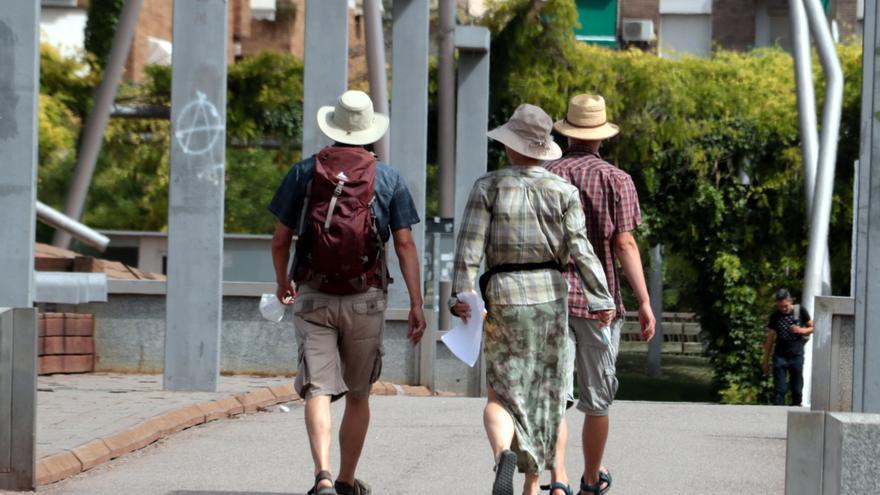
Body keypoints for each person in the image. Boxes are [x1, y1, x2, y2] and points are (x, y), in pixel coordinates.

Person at [449, 103, 615, 495]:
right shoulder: (563, 191)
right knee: (548, 396)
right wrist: (600, 298)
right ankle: (536, 484)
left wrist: (463, 295)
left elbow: (468, 249)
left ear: (510, 146)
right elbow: (581, 248)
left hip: (504, 296)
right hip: (551, 298)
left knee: (502, 393)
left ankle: (502, 453)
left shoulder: (488, 186)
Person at [268, 90, 427, 495]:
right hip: (366, 297)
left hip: (313, 294)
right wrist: (416, 302)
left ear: (334, 127)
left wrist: (283, 281)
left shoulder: (305, 172)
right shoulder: (387, 177)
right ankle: (345, 480)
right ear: (369, 131)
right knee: (358, 393)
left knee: (317, 388)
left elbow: (279, 239)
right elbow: (405, 244)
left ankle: (321, 474)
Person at [545, 94, 656, 495]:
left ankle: (557, 480)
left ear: (567, 131)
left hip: (551, 299)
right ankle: (591, 479)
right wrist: (644, 301)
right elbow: (624, 243)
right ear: (601, 136)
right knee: (597, 399)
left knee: (557, 397)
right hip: (600, 304)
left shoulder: (546, 174)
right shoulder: (617, 180)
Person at [762, 289, 813, 406]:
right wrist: (765, 361)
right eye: (780, 306)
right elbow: (769, 339)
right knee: (780, 390)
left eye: (785, 306)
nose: (783, 309)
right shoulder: (775, 316)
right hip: (780, 356)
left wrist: (802, 330)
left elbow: (814, 327)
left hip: (796, 355)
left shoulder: (799, 311)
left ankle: (795, 411)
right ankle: (778, 414)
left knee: (797, 390)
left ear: (791, 301)